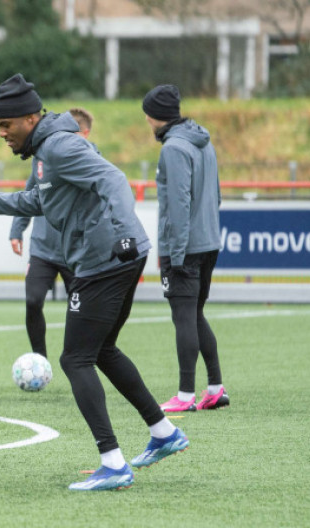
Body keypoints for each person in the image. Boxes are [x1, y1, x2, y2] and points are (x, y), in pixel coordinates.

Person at [0, 74, 188, 491]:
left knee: (75, 359)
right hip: (113, 256)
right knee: (102, 351)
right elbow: (40, 200)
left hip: (108, 258)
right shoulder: (45, 149)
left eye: (5, 125)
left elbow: (113, 180)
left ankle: (113, 464)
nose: (1, 134)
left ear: (29, 117)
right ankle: (165, 433)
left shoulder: (59, 145)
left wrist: (125, 229)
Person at [143, 84, 228, 413]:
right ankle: (215, 388)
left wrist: (174, 255)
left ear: (153, 116)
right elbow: (216, 194)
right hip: (208, 241)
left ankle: (184, 395)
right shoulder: (203, 140)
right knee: (195, 314)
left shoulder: (174, 149)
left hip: (185, 247)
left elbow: (178, 205)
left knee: (183, 317)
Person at [8, 108, 92, 358]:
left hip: (75, 251)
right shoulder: (44, 157)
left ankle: (77, 358)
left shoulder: (91, 159)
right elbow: (29, 196)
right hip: (43, 249)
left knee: (79, 310)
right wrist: (17, 230)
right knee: (33, 301)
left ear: (84, 134)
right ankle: (39, 359)